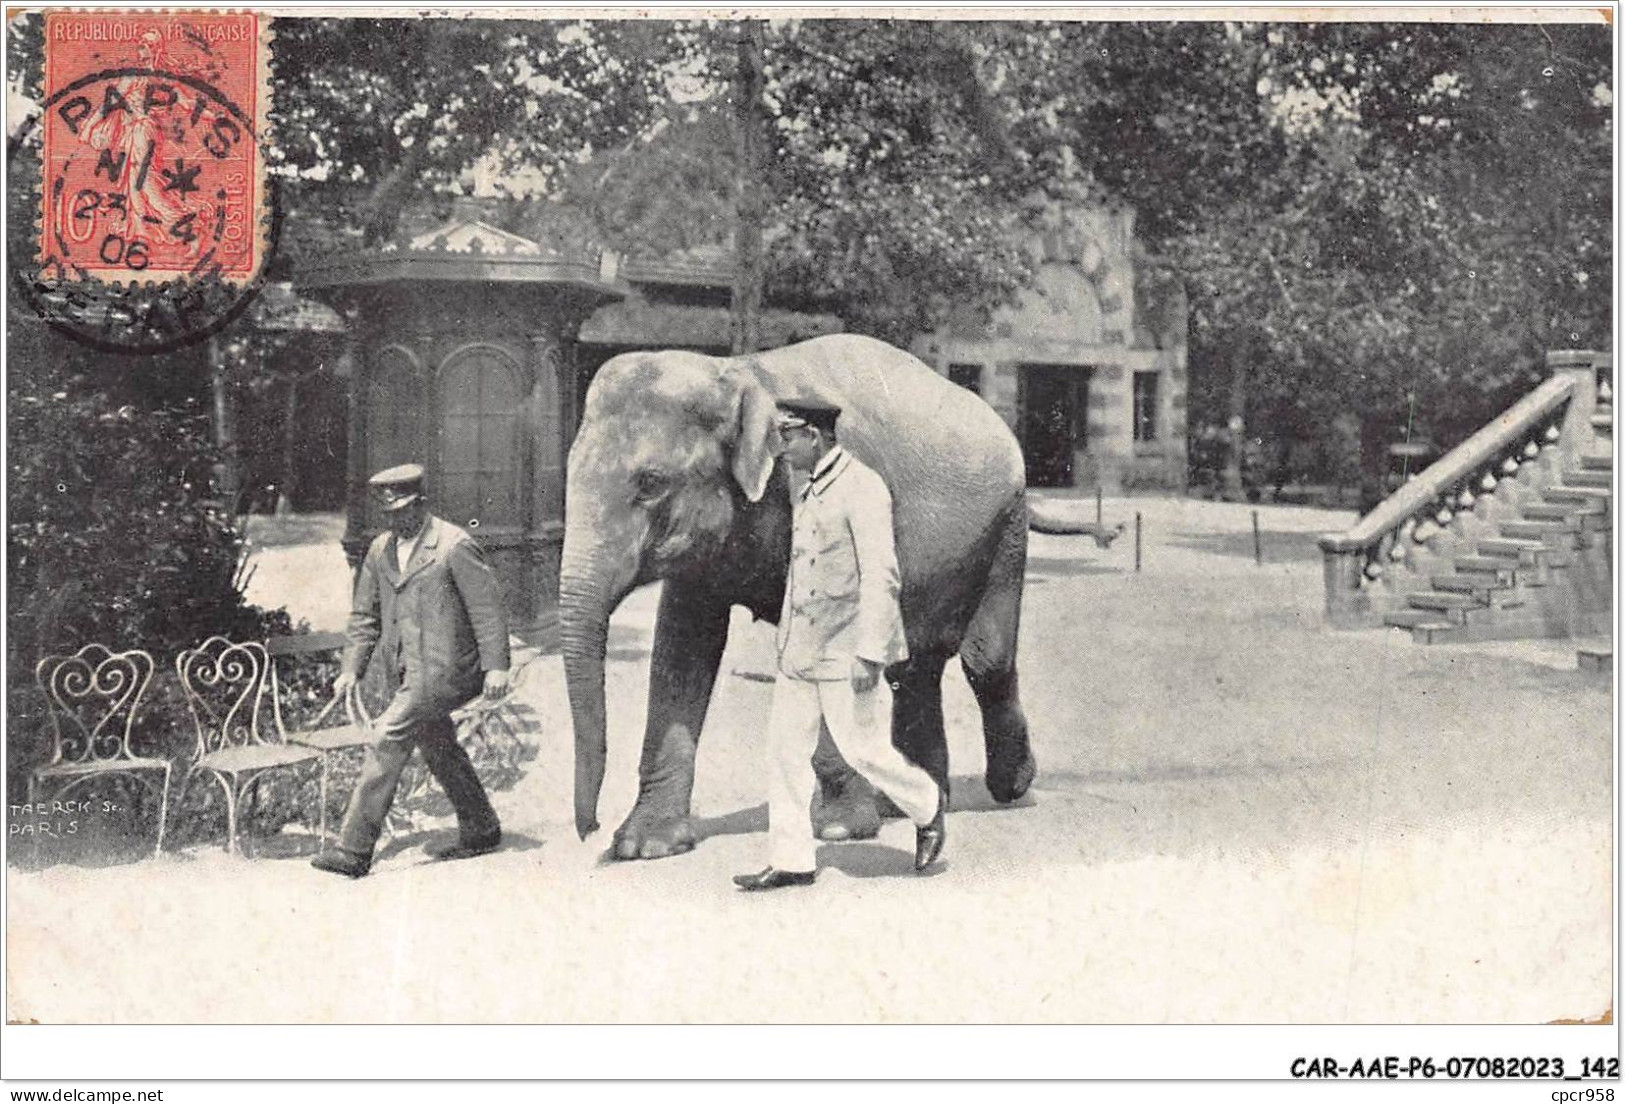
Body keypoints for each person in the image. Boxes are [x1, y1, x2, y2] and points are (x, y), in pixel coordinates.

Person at [733, 399, 947, 892]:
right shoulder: (806, 486)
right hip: (800, 652)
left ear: (815, 435)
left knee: (865, 751)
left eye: (787, 437)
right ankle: (791, 859)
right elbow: (802, 573)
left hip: (846, 650)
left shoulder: (862, 487)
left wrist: (871, 652)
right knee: (784, 754)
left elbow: (881, 574)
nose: (781, 448)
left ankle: (927, 807)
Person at [311, 464, 510, 878]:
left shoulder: (454, 545)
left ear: (421, 504)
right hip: (403, 672)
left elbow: (487, 610)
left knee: (388, 736)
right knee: (436, 742)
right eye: (389, 514)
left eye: (403, 510)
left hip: (445, 669)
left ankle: (353, 850)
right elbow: (365, 615)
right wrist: (352, 668)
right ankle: (481, 826)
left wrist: (495, 667)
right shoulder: (380, 550)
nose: (396, 520)